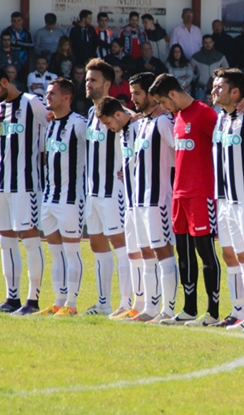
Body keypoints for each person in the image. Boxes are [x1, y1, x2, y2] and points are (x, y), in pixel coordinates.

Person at [98, 74, 178, 323]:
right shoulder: (141, 123)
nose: (132, 98)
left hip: (158, 199)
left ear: (151, 94)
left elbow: (179, 157)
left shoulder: (164, 122)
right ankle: (150, 309)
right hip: (137, 200)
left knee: (163, 251)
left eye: (137, 94)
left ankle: (168, 309)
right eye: (131, 94)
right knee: (146, 253)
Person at [148, 73, 221, 326]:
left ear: (172, 95)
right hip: (179, 195)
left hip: (201, 193)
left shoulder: (206, 114)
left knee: (205, 252)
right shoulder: (176, 117)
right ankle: (189, 309)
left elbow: (222, 151)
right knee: (184, 253)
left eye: (163, 103)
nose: (164, 109)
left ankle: (212, 313)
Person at [0, 64, 48, 315]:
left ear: (5, 82)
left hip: (26, 185)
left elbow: (51, 130)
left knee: (30, 240)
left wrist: (44, 160)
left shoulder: (32, 103)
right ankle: (12, 299)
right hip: (2, 184)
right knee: (5, 240)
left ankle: (33, 301)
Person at [209, 69, 244, 331]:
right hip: (225, 200)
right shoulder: (221, 119)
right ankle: (240, 310)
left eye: (219, 87)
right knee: (233, 255)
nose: (214, 91)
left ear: (235, 92)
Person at [29, 78, 87, 317]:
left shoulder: (79, 124)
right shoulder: (50, 124)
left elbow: (96, 151)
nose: (47, 97)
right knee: (55, 254)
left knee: (72, 252)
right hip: (49, 197)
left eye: (52, 93)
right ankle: (57, 301)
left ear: (66, 97)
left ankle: (71, 305)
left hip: (71, 199)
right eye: (47, 93)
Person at [80, 59, 131, 317]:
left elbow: (137, 128)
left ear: (108, 84)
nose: (88, 84)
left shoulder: (120, 112)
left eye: (94, 80)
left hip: (114, 192)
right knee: (97, 247)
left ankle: (127, 304)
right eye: (87, 80)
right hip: (93, 193)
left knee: (122, 246)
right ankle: (103, 304)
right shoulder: (91, 114)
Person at [191, 34, 228, 101]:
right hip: (200, 89)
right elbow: (190, 71)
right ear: (202, 43)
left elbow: (226, 70)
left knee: (216, 109)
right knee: (199, 109)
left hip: (216, 88)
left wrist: (220, 81)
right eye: (206, 43)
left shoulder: (220, 56)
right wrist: (197, 79)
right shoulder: (196, 57)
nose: (208, 45)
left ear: (213, 43)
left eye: (210, 42)